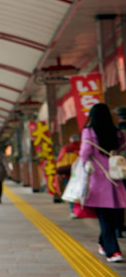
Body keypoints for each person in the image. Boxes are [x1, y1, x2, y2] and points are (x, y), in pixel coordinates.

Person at [81, 103, 126, 263]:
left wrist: (82, 168)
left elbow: (85, 152)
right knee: (112, 216)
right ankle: (108, 246)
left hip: (98, 181)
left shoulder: (89, 132)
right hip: (115, 178)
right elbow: (122, 148)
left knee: (106, 217)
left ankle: (111, 250)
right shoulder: (117, 133)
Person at [56, 134, 81, 216]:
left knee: (70, 192)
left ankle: (72, 211)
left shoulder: (67, 148)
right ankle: (79, 210)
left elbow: (60, 159)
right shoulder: (81, 147)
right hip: (79, 175)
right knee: (79, 193)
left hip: (67, 174)